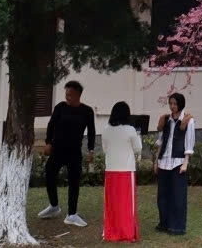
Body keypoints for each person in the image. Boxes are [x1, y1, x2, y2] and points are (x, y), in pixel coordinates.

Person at [38, 80, 96, 227]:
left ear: (78, 95)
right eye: (66, 94)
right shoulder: (60, 107)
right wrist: (48, 142)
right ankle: (54, 206)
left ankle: (71, 214)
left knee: (74, 182)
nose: (67, 97)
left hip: (74, 152)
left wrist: (91, 150)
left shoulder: (87, 111)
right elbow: (51, 125)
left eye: (70, 94)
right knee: (49, 175)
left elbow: (91, 132)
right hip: (57, 149)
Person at [154, 93, 194, 236]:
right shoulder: (166, 120)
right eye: (170, 103)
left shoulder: (188, 120)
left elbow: (189, 143)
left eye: (175, 104)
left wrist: (185, 163)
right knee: (162, 196)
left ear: (181, 104)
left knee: (178, 196)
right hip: (164, 161)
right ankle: (164, 223)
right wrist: (156, 161)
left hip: (178, 163)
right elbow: (161, 141)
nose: (172, 106)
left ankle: (177, 226)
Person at [102, 101, 142, 242]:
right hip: (126, 171)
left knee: (112, 204)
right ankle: (127, 232)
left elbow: (105, 149)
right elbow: (138, 149)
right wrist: (138, 134)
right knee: (126, 204)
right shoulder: (130, 129)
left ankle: (111, 231)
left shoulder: (106, 129)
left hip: (111, 170)